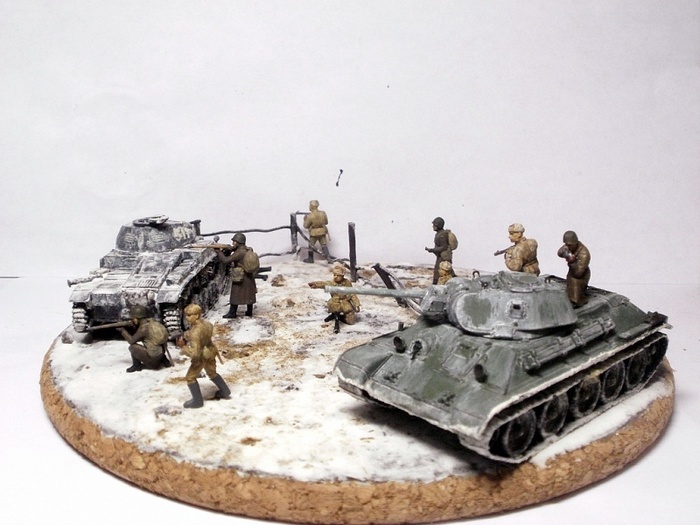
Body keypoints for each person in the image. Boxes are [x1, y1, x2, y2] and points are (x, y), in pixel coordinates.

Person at [176, 303, 230, 409]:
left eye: (189, 315)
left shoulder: (195, 333)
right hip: (210, 351)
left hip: (201, 356)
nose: (186, 318)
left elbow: (195, 354)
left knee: (190, 377)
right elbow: (203, 334)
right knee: (212, 373)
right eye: (186, 315)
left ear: (197, 315)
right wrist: (187, 335)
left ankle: (197, 401)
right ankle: (225, 391)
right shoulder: (207, 323)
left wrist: (184, 348)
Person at [117, 305, 171, 373]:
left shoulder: (143, 328)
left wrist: (122, 331)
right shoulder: (152, 322)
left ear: (136, 319)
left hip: (153, 358)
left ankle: (136, 365)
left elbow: (131, 340)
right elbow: (144, 337)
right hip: (161, 352)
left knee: (133, 347)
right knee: (153, 343)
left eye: (133, 319)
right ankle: (164, 360)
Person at [215, 233, 258, 318]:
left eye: (234, 241)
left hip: (240, 276)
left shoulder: (239, 252)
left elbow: (226, 260)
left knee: (235, 295)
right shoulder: (247, 249)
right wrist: (230, 248)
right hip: (249, 276)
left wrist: (219, 252)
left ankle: (232, 313)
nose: (233, 243)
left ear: (238, 242)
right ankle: (249, 311)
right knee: (249, 295)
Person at [308, 265, 360, 333]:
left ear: (342, 276)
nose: (335, 277)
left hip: (345, 301)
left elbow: (352, 293)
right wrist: (315, 284)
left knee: (351, 321)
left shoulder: (347, 282)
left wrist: (357, 304)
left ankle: (340, 317)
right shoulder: (332, 283)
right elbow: (323, 284)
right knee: (335, 308)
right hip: (335, 301)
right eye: (334, 275)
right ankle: (336, 320)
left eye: (338, 275)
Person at [557, 230, 591, 307]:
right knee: (570, 284)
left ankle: (577, 302)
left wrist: (572, 262)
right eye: (566, 244)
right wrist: (566, 253)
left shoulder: (584, 254)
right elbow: (559, 253)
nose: (567, 247)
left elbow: (578, 273)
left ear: (575, 243)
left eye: (570, 245)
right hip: (572, 272)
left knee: (575, 285)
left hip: (581, 275)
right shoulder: (568, 247)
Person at [425, 217, 456, 285]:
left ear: (438, 225)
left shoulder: (442, 235)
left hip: (443, 258)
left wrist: (432, 250)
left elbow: (444, 247)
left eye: (434, 225)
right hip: (441, 257)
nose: (433, 226)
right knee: (445, 272)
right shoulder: (440, 233)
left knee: (442, 273)